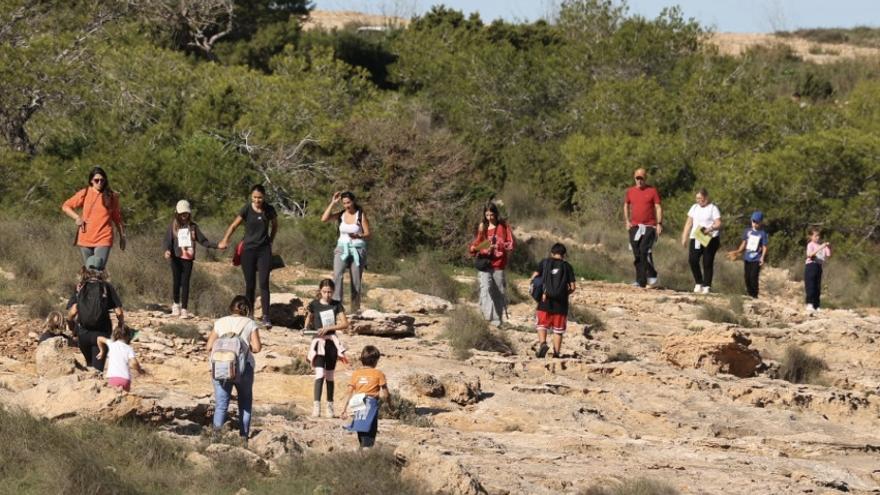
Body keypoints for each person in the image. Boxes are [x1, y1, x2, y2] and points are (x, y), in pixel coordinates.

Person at [218, 185, 278, 327]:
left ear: (264, 197)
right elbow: (234, 225)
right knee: (250, 284)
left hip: (264, 250)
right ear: (251, 197)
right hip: (248, 250)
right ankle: (249, 314)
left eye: (260, 198)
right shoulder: (246, 209)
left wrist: (271, 240)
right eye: (255, 197)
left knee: (264, 283)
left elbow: (275, 225)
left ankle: (266, 316)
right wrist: (225, 239)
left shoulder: (269, 209)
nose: (257, 200)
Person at [206, 295, 262, 447]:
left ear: (231, 307)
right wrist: (244, 348)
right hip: (244, 369)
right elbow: (257, 348)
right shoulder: (250, 323)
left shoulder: (220, 322)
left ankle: (215, 440)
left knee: (221, 405)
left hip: (220, 368)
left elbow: (209, 346)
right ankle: (243, 439)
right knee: (244, 403)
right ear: (247, 309)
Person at [162, 200, 220, 319]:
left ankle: (184, 309)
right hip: (176, 257)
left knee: (186, 283)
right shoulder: (172, 226)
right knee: (176, 282)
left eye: (186, 213)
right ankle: (176, 306)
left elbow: (204, 241)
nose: (184, 215)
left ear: (189, 213)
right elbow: (167, 241)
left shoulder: (193, 227)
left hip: (188, 259)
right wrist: (167, 250)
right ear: (177, 213)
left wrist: (217, 245)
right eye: (182, 213)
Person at [66, 256, 124, 371]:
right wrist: (121, 325)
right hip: (102, 334)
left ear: (86, 269)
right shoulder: (107, 287)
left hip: (83, 335)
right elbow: (119, 312)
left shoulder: (80, 287)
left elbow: (72, 311)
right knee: (97, 371)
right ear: (102, 269)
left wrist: (72, 329)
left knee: (89, 367)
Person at [61, 166, 126, 268]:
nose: (99, 182)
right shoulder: (85, 193)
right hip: (85, 238)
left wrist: (122, 236)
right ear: (91, 181)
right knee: (89, 271)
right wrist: (77, 218)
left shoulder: (112, 196)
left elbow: (117, 218)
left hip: (103, 238)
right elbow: (66, 206)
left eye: (102, 180)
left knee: (98, 268)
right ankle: (82, 284)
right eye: (96, 180)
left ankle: (102, 283)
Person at [305, 279, 350, 418]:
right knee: (319, 374)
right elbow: (309, 317)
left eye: (330, 292)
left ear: (333, 291)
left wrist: (329, 328)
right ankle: (316, 406)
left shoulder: (337, 305)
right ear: (320, 291)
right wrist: (306, 328)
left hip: (331, 343)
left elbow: (345, 323)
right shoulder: (314, 304)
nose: (327, 294)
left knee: (330, 376)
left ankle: (330, 406)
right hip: (318, 343)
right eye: (324, 292)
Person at [321, 191, 371, 313]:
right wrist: (333, 203)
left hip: (357, 249)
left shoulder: (360, 215)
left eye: (348, 202)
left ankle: (355, 309)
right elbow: (324, 219)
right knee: (337, 276)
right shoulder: (341, 215)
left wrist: (359, 235)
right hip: (341, 248)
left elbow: (368, 233)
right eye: (344, 203)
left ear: (353, 201)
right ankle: (337, 307)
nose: (346, 205)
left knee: (356, 280)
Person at [468, 202, 515, 326]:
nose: (489, 217)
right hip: (485, 263)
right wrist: (480, 246)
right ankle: (489, 318)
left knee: (498, 292)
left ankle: (497, 320)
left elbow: (510, 244)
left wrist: (498, 246)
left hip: (499, 263)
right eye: (487, 215)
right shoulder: (483, 227)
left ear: (496, 214)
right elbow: (478, 244)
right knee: (485, 289)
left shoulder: (504, 227)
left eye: (491, 215)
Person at [530, 243, 576, 358]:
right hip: (561, 303)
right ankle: (556, 353)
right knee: (558, 330)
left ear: (552, 253)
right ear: (564, 255)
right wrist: (564, 294)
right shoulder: (567, 266)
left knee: (542, 325)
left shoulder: (544, 263)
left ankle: (543, 344)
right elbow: (573, 287)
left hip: (544, 300)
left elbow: (534, 278)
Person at [340, 345, 389, 449]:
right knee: (370, 432)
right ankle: (365, 455)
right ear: (375, 361)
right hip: (371, 404)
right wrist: (389, 404)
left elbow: (349, 392)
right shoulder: (379, 373)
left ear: (362, 360)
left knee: (361, 430)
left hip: (357, 403)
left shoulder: (356, 374)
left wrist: (344, 409)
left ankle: (362, 450)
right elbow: (385, 392)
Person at [623, 168, 662, 288]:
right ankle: (640, 280)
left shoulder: (652, 191)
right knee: (637, 253)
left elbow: (658, 207)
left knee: (644, 250)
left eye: (641, 178)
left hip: (649, 226)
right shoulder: (630, 191)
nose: (639, 181)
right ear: (634, 178)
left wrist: (659, 223)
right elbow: (626, 205)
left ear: (645, 179)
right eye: (637, 178)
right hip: (635, 227)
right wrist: (627, 221)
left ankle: (652, 275)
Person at [680, 188, 722, 294]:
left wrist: (710, 228)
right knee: (693, 259)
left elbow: (718, 223)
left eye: (700, 198)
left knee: (707, 261)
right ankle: (699, 282)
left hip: (710, 237)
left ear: (706, 198)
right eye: (697, 198)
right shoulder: (694, 208)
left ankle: (707, 285)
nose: (698, 200)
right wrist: (684, 236)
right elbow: (689, 222)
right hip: (697, 237)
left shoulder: (713, 208)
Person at [728, 211, 769, 298]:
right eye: (753, 221)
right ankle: (749, 294)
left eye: (757, 222)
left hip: (756, 258)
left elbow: (765, 247)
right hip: (747, 258)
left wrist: (762, 258)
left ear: (761, 222)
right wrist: (738, 251)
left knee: (753, 277)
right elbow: (744, 243)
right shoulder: (747, 231)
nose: (755, 224)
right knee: (747, 277)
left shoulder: (763, 233)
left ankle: (754, 295)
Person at [96, 324, 145, 392]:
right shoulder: (129, 348)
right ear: (128, 336)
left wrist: (102, 351)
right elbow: (134, 363)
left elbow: (99, 338)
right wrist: (140, 370)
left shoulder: (111, 343)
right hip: (125, 379)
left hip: (113, 378)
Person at [804, 228, 832, 314]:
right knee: (810, 285)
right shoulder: (810, 244)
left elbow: (828, 254)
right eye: (815, 236)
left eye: (818, 236)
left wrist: (828, 246)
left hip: (819, 266)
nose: (817, 237)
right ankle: (810, 304)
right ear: (811, 236)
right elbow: (809, 255)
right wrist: (821, 247)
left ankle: (816, 305)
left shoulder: (822, 245)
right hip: (811, 265)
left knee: (817, 286)